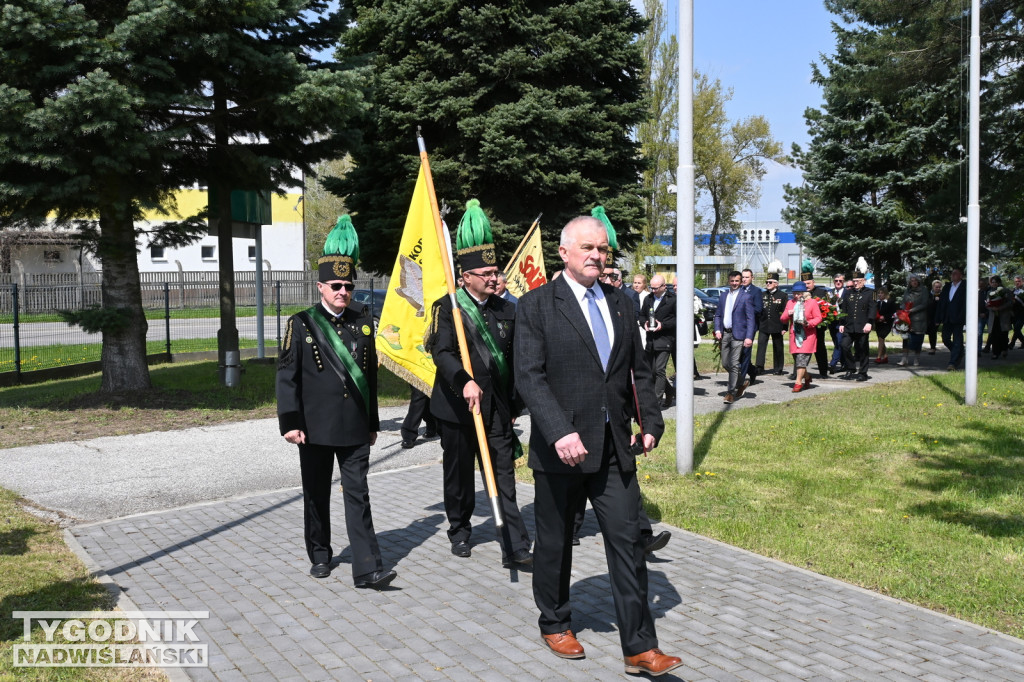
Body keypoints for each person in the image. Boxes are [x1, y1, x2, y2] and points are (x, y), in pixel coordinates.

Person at [514, 215, 681, 677]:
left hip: (613, 447)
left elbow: (639, 370)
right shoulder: (537, 306)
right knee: (555, 543)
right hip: (561, 448)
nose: (596, 256)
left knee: (628, 541)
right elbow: (529, 376)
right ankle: (555, 621)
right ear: (564, 253)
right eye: (587, 248)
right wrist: (558, 430)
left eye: (603, 249)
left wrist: (649, 420)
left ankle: (640, 648)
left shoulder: (622, 303)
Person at [276, 216, 395, 589]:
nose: (343, 292)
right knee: (316, 492)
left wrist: (373, 422)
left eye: (348, 285)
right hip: (313, 426)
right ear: (321, 287)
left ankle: (367, 567)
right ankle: (321, 553)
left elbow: (370, 379)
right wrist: (290, 422)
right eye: (335, 286)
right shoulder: (302, 324)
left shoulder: (362, 322)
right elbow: (287, 376)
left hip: (355, 426)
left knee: (358, 493)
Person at [425, 200, 532, 569]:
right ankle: (460, 530)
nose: (492, 277)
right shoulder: (448, 307)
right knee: (458, 475)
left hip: (497, 412)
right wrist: (464, 381)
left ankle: (514, 544)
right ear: (465, 275)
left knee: (503, 477)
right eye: (484, 272)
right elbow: (442, 354)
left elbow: (517, 361)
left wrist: (517, 404)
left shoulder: (508, 309)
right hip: (458, 407)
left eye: (494, 271)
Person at [713, 270, 756, 404]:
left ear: (741, 281)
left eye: (737, 281)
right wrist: (717, 329)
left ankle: (730, 393)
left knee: (734, 363)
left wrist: (749, 337)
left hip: (739, 334)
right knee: (726, 363)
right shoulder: (724, 296)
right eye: (732, 281)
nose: (735, 283)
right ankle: (742, 381)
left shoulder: (746, 296)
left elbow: (750, 318)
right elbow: (718, 315)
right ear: (728, 281)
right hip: (725, 333)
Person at [640, 274, 677, 408]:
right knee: (651, 370)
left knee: (659, 370)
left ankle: (656, 401)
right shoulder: (648, 299)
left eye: (656, 288)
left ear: (663, 286)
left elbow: (677, 319)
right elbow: (642, 314)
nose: (653, 291)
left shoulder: (672, 300)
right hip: (651, 340)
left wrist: (663, 325)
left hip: (665, 339)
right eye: (651, 288)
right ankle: (670, 391)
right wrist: (644, 323)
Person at [779, 281, 823, 391]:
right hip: (795, 336)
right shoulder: (791, 303)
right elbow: (783, 319)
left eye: (799, 293)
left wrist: (809, 323)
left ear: (804, 293)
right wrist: (788, 313)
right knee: (798, 360)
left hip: (808, 336)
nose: (796, 296)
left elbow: (818, 318)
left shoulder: (812, 302)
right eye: (794, 293)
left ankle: (798, 383)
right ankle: (807, 377)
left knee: (801, 359)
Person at [838, 264, 876, 381]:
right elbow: (844, 309)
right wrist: (841, 323)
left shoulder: (870, 293)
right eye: (854, 281)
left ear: (863, 281)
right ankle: (850, 368)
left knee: (862, 349)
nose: (855, 283)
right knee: (844, 345)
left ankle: (863, 372)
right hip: (849, 326)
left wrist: (869, 322)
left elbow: (873, 308)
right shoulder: (848, 293)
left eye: (858, 281)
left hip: (862, 326)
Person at [755, 265, 787, 376]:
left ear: (776, 284)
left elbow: (785, 312)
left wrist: (784, 327)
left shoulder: (782, 295)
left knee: (778, 347)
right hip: (764, 325)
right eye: (766, 282)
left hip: (777, 325)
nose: (767, 284)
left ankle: (778, 368)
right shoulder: (762, 294)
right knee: (761, 346)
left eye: (770, 282)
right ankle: (759, 367)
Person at [936, 268, 967, 371]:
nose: (953, 275)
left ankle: (952, 363)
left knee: (957, 340)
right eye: (952, 273)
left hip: (959, 318)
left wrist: (964, 316)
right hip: (947, 317)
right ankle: (959, 352)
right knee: (945, 338)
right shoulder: (947, 286)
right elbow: (942, 303)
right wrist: (939, 317)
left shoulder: (965, 286)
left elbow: (965, 303)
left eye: (955, 273)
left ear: (961, 275)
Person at [737, 268, 763, 385]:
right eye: (743, 277)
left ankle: (741, 378)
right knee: (738, 352)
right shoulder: (737, 290)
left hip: (750, 326)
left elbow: (758, 309)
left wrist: (745, 311)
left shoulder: (756, 291)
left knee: (746, 351)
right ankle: (752, 370)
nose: (744, 279)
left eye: (747, 277)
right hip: (738, 325)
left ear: (752, 278)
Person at [897, 274, 929, 367]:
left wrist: (912, 310)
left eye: (915, 280)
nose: (913, 282)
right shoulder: (907, 291)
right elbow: (903, 301)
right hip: (907, 318)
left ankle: (916, 359)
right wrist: (903, 308)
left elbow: (924, 304)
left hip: (919, 319)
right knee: (905, 338)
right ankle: (904, 359)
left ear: (918, 281)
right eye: (911, 281)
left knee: (917, 339)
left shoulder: (924, 290)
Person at [985, 275, 1014, 359]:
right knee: (994, 335)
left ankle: (1004, 349)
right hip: (993, 316)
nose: (994, 284)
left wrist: (999, 307)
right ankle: (995, 352)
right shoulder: (989, 292)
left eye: (995, 282)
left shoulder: (1005, 291)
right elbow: (987, 303)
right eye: (992, 282)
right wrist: (992, 307)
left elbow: (1010, 302)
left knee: (1003, 334)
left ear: (999, 282)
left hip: (1003, 316)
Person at [828, 273, 848, 373]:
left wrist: (843, 323)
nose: (838, 282)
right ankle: (844, 364)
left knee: (839, 343)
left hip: (842, 322)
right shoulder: (830, 292)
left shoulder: (847, 292)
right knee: (836, 343)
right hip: (832, 322)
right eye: (836, 280)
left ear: (843, 281)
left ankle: (833, 363)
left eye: (840, 280)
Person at [874, 286, 897, 363]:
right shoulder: (877, 303)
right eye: (879, 293)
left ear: (885, 294)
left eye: (882, 293)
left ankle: (879, 357)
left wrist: (885, 317)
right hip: (878, 323)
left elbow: (893, 313)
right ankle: (885, 356)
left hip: (887, 323)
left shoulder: (890, 302)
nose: (880, 295)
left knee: (881, 338)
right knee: (880, 339)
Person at [926, 279, 943, 354]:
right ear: (933, 287)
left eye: (939, 287)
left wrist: (938, 300)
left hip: (936, 317)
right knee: (929, 331)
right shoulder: (928, 294)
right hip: (927, 316)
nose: (938, 289)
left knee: (933, 331)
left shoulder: (942, 295)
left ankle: (933, 347)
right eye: (936, 287)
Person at [1010, 275, 1024, 351]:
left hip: (1022, 313)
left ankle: (1012, 343)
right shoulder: (1013, 291)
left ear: (1022, 282)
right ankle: (1013, 343)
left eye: (1019, 281)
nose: (1017, 283)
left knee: (1017, 328)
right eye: (1016, 281)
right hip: (1015, 313)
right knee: (1016, 329)